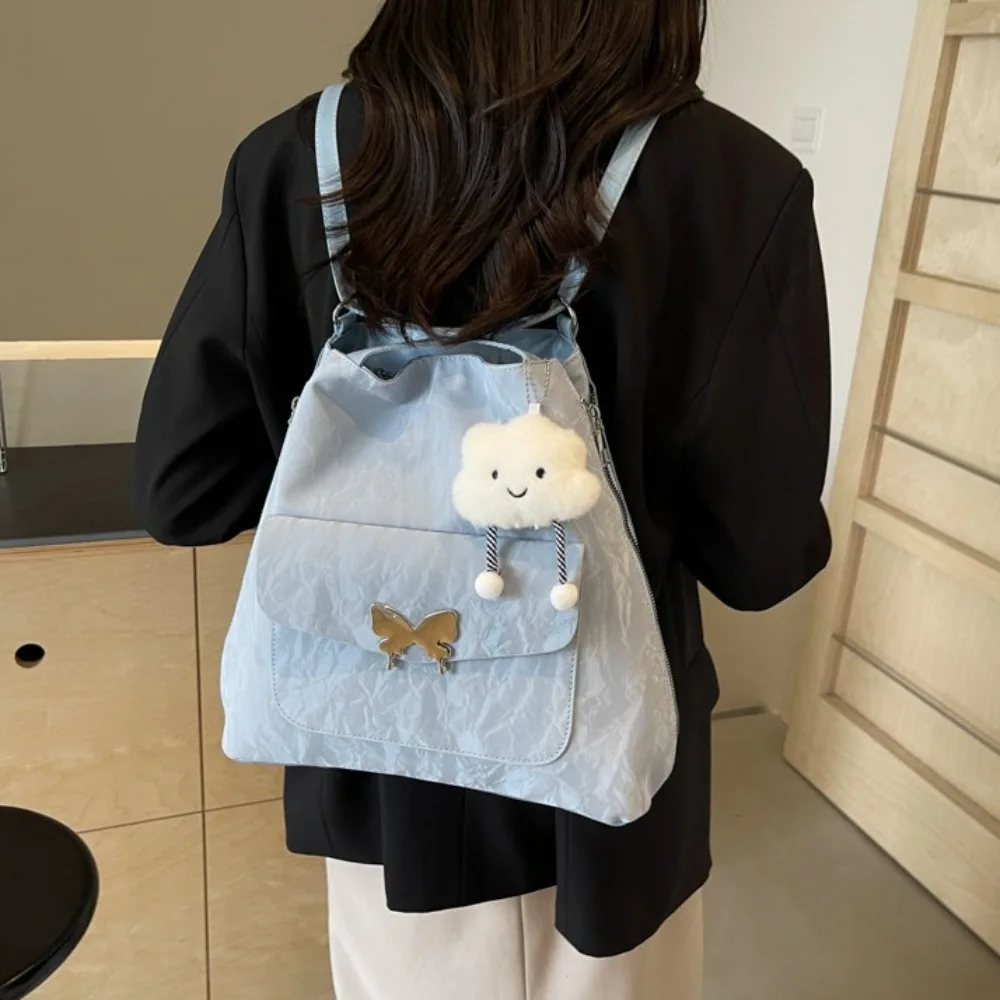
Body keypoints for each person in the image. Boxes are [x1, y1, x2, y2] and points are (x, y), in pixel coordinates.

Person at [134, 1, 832, 996]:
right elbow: (761, 560)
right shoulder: (734, 179)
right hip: (601, 797)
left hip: (380, 769)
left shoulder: (297, 158)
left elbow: (183, 492)